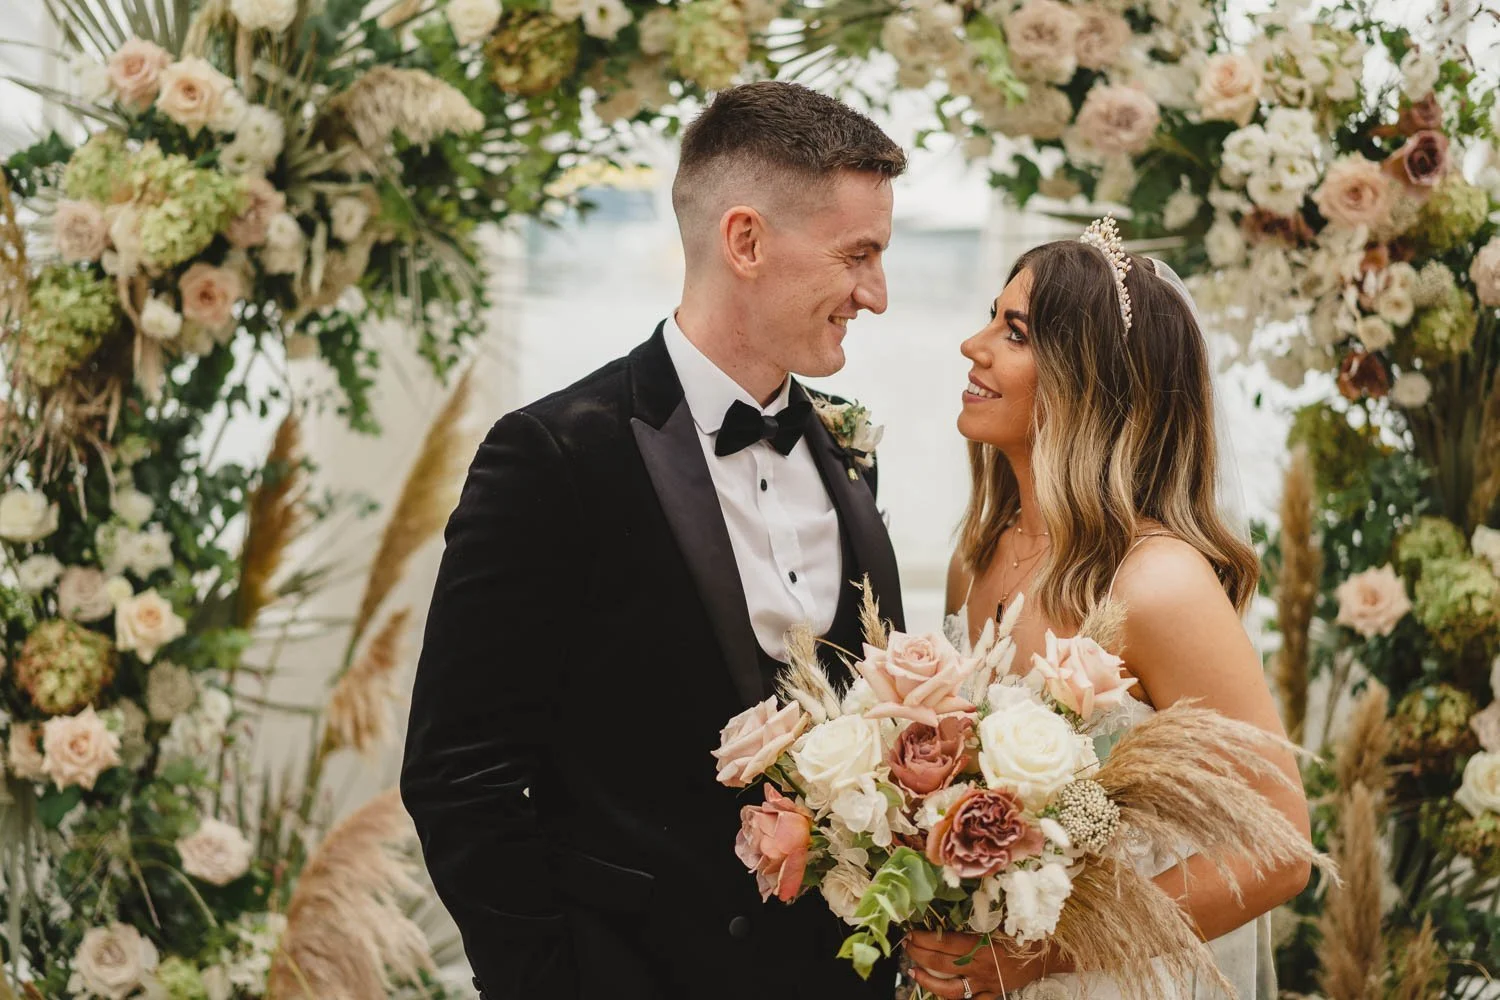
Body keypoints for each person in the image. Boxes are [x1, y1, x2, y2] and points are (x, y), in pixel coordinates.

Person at [401, 81, 908, 1000]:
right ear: (745, 240)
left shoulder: (849, 446)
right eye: (857, 255)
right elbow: (459, 774)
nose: (876, 293)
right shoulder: (554, 453)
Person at [905, 224, 1312, 1000]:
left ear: (1089, 380)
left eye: (1013, 332)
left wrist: (1046, 955)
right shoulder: (978, 553)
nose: (972, 344)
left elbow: (1282, 847)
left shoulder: (1159, 585)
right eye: (991, 317)